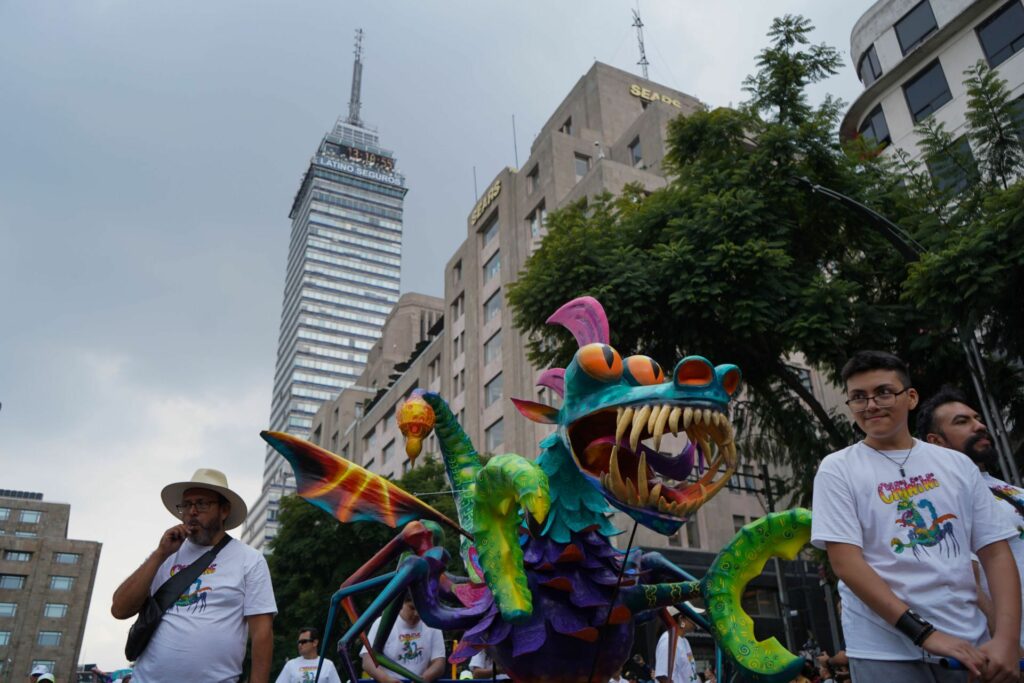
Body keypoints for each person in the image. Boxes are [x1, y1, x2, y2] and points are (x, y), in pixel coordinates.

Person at [811, 350, 1021, 682]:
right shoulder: (837, 468)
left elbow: (995, 552)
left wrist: (1007, 642)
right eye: (858, 397)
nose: (871, 405)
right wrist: (924, 634)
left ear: (910, 397)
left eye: (883, 392)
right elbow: (846, 563)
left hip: (971, 645)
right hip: (885, 652)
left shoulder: (957, 465)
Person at [111, 468, 277, 682]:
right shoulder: (166, 554)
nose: (192, 511)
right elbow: (119, 609)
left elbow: (262, 633)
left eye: (202, 504)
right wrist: (159, 554)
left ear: (224, 510)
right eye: (187, 505)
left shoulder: (250, 560)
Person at [918, 386, 1024, 648]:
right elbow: (968, 581)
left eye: (977, 418)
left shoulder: (1010, 489)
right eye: (962, 422)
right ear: (936, 442)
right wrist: (1008, 645)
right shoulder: (942, 497)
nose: (979, 426)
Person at [360, 592, 445, 683]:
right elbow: (367, 661)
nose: (416, 613)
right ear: (401, 605)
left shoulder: (432, 625)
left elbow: (439, 662)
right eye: (412, 608)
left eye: (420, 608)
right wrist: (386, 679)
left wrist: (423, 679)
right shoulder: (381, 623)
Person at [276, 626, 342, 683]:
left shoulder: (328, 665)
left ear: (315, 643)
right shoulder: (290, 665)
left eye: (303, 642)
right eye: (299, 642)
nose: (300, 645)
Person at [654, 606, 700, 683]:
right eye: (692, 616)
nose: (696, 620)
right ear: (681, 619)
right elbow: (663, 677)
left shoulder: (684, 641)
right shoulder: (668, 639)